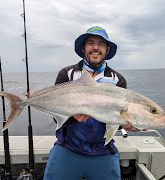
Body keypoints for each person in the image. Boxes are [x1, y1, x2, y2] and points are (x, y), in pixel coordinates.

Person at [43, 26, 139, 180]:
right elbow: (57, 117)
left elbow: (115, 119)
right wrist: (71, 117)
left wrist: (125, 124)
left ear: (107, 50)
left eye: (101, 44)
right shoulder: (67, 74)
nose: (96, 48)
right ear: (84, 48)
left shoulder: (118, 80)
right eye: (91, 43)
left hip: (102, 151)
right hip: (68, 148)